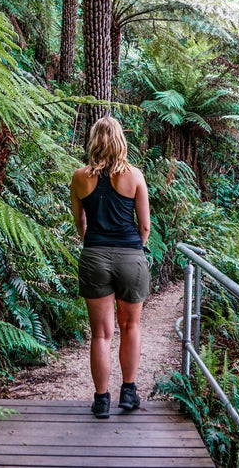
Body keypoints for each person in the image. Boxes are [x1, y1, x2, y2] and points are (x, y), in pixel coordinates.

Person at [70, 115, 151, 419]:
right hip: (131, 255)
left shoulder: (79, 177)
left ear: (94, 141)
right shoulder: (135, 176)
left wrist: (92, 243)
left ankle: (101, 400)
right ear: (120, 141)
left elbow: (80, 222)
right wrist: (135, 249)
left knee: (101, 334)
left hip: (94, 256)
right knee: (131, 326)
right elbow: (144, 226)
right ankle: (128, 393)